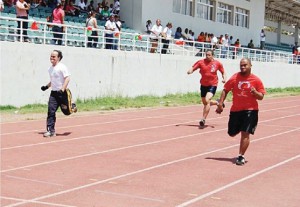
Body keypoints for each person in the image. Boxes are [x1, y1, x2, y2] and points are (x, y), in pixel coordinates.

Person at [215, 58, 266, 165]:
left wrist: (255, 92)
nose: (243, 67)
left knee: (245, 133)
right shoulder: (235, 77)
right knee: (232, 133)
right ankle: (238, 128)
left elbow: (261, 96)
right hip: (236, 110)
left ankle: (241, 156)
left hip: (250, 111)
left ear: (250, 65)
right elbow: (225, 89)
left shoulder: (256, 80)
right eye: (241, 65)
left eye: (245, 65)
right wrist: (220, 103)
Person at [41, 50, 77, 137]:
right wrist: (46, 86)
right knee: (51, 111)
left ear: (59, 58)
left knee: (66, 112)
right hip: (54, 94)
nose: (51, 58)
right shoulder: (50, 69)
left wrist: (62, 89)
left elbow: (67, 78)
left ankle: (72, 106)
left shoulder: (62, 67)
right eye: (51, 56)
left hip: (63, 93)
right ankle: (51, 131)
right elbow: (53, 81)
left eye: (54, 56)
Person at [187, 49, 226, 127]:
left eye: (209, 55)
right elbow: (193, 67)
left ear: (212, 56)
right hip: (203, 85)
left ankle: (203, 119)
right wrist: (190, 71)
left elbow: (223, 72)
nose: (207, 56)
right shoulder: (201, 62)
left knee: (207, 100)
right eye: (206, 55)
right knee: (205, 102)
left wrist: (224, 78)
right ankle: (218, 102)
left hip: (213, 85)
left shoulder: (217, 63)